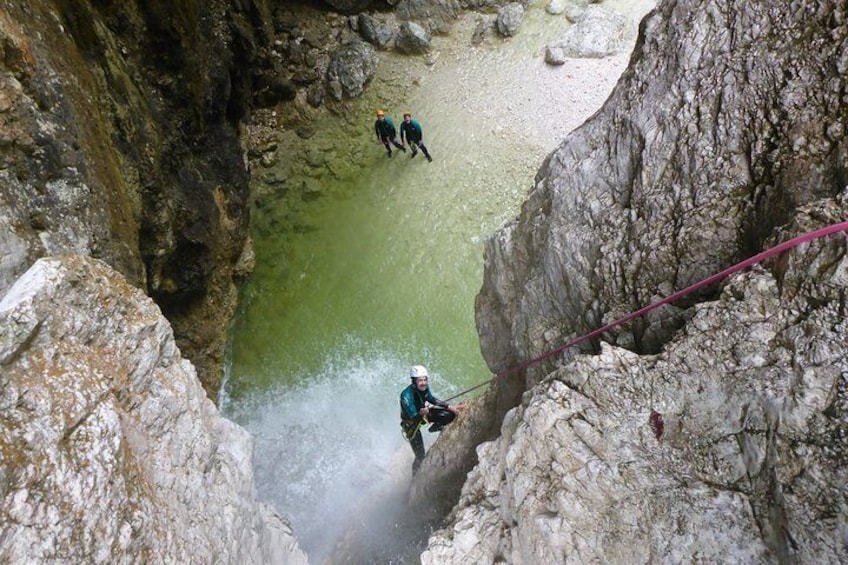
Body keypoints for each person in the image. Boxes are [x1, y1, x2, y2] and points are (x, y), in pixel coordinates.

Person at [400, 365, 466, 475]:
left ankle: (435, 428)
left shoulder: (424, 388)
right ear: (413, 381)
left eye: (425, 379)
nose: (424, 383)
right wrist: (421, 413)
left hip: (424, 414)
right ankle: (415, 477)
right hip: (411, 423)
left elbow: (432, 399)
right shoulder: (406, 396)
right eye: (420, 380)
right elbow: (414, 416)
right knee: (420, 456)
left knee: (449, 415)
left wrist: (451, 407)